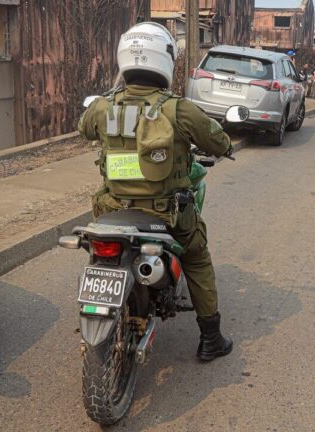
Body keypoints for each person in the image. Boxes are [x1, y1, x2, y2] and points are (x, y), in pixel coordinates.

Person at [78, 22, 233, 362]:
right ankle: (211, 338)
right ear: (164, 61)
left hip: (112, 210)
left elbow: (84, 128)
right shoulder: (178, 109)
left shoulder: (104, 107)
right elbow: (218, 141)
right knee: (196, 255)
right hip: (166, 214)